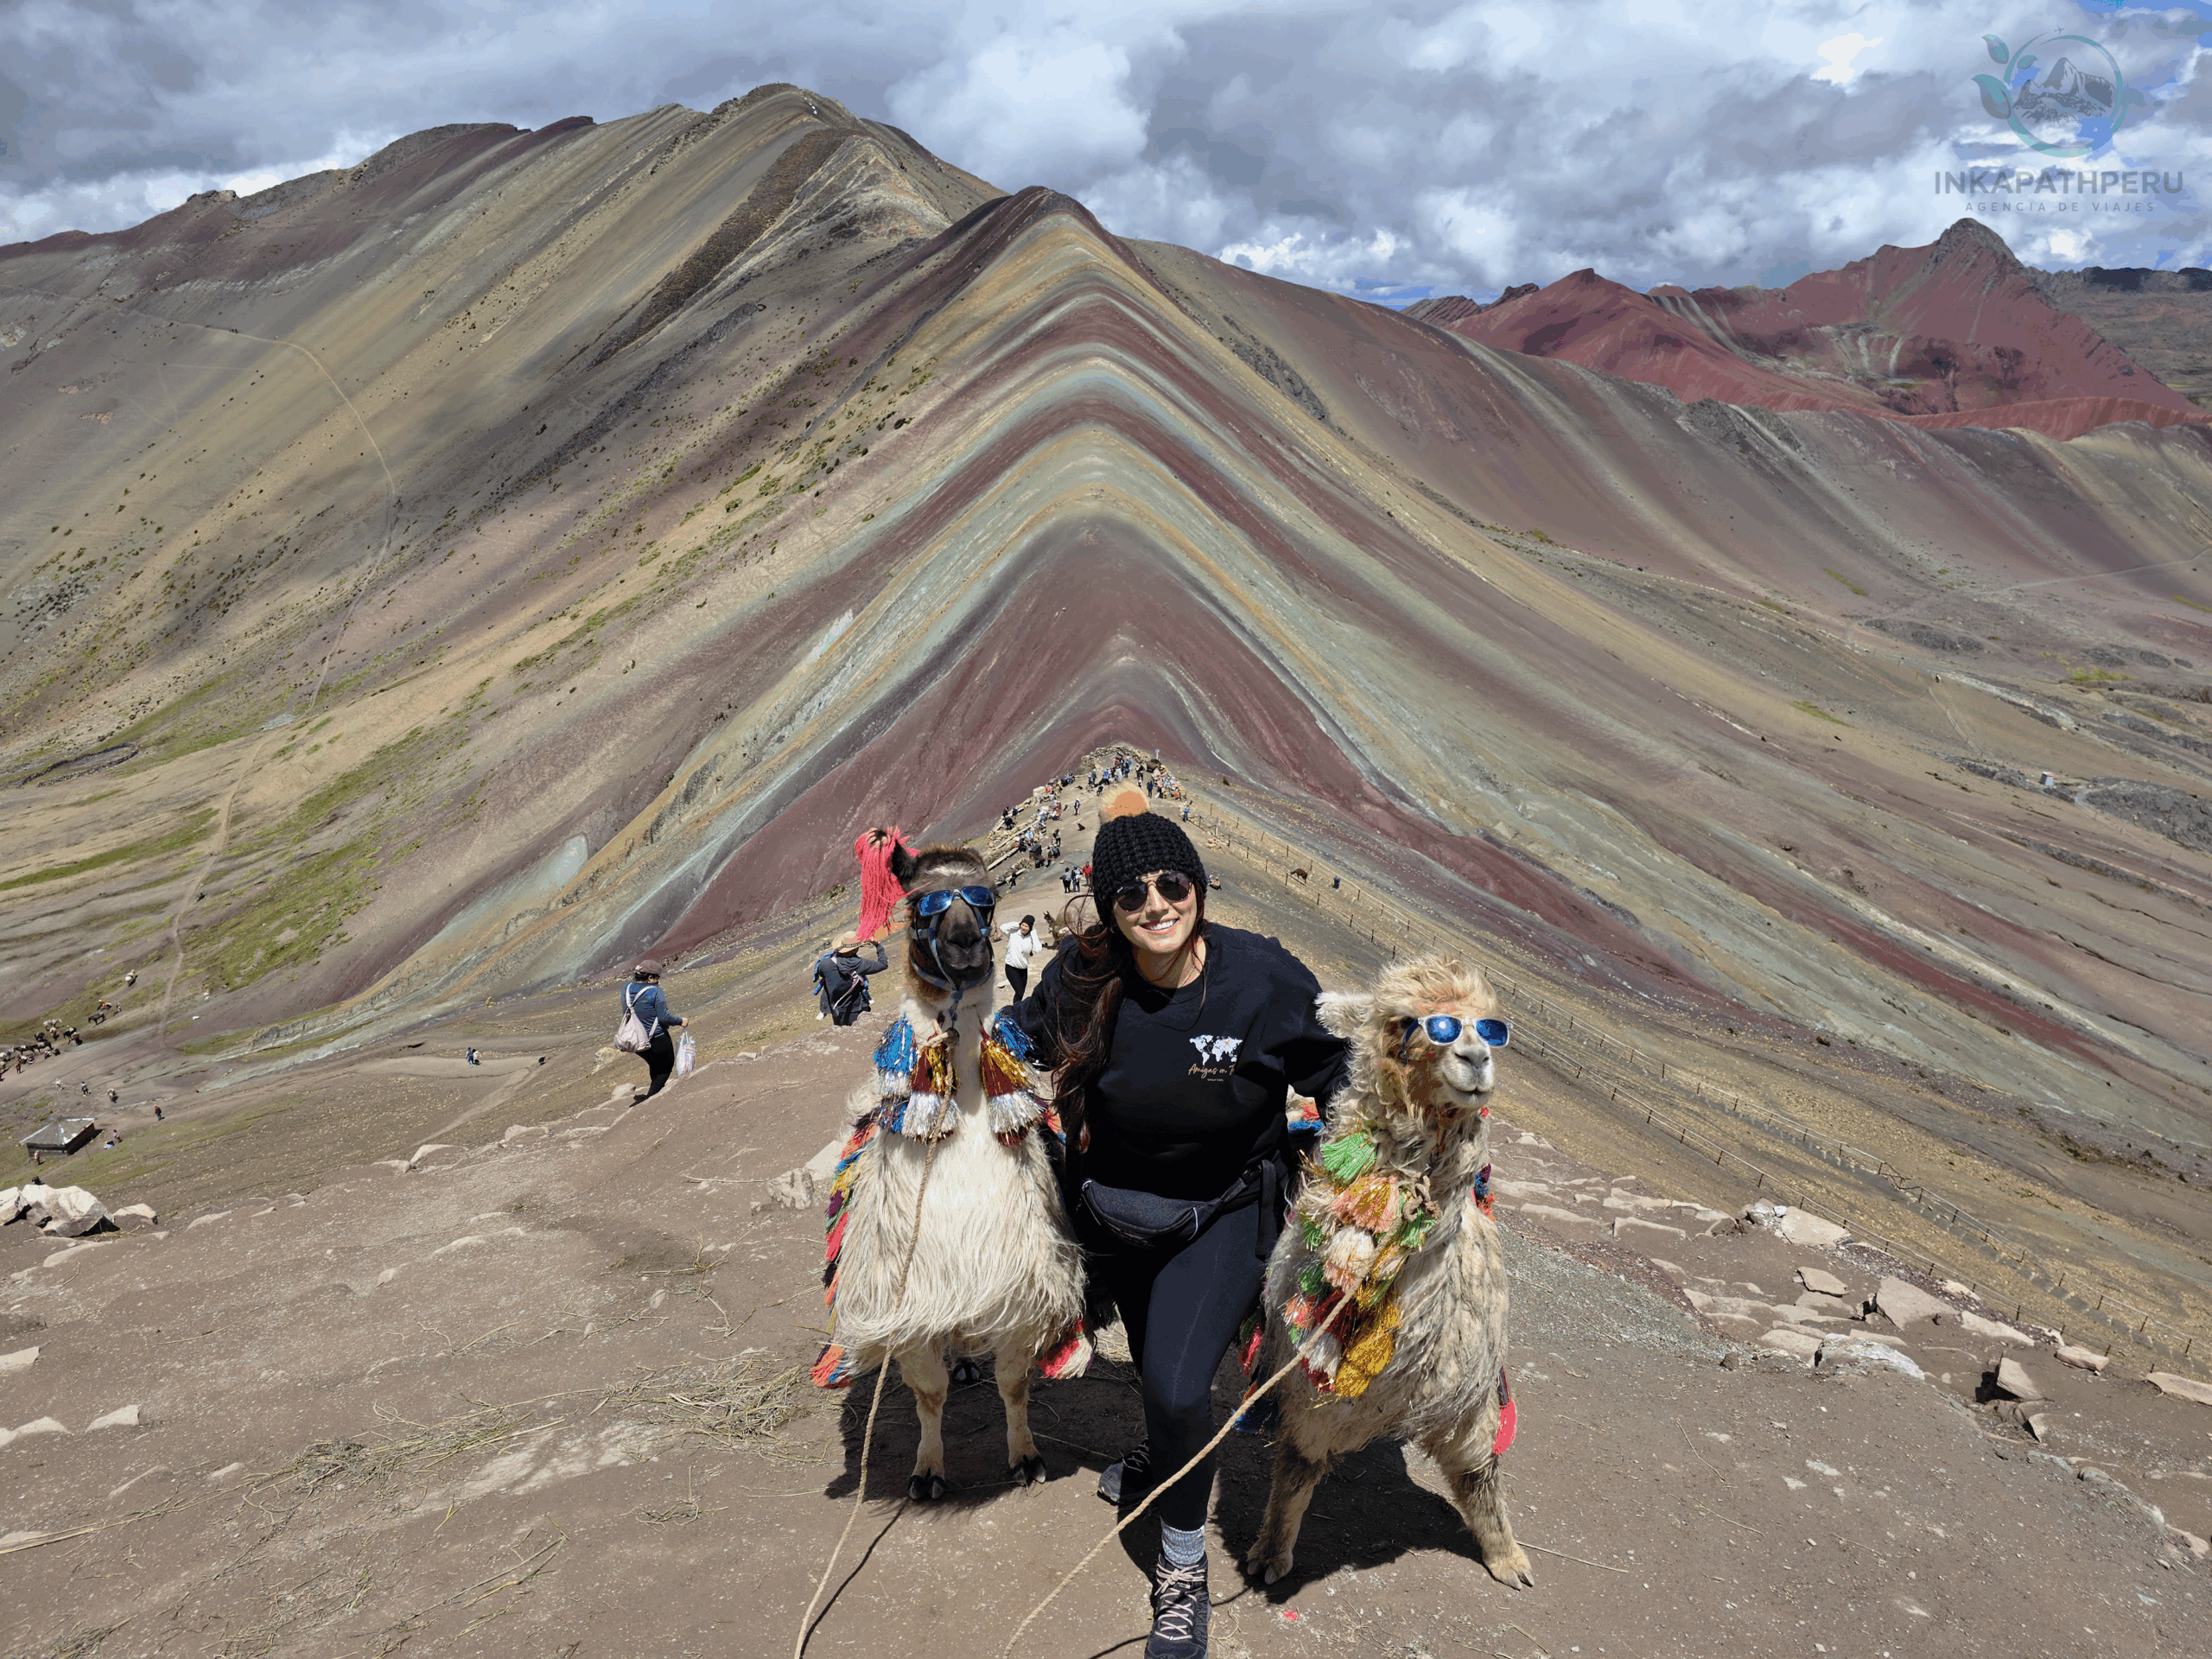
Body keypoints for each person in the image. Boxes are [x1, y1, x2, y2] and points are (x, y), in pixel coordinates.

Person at [1007, 811, 1348, 1659]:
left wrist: (1377, 1162)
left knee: (1175, 1378)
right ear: (1107, 907)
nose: (1155, 904)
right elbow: (1015, 1049)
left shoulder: (1262, 980)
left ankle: (1182, 1568)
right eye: (1131, 893)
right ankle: (1165, 1460)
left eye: (1172, 884)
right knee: (1161, 1371)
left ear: (1198, 885)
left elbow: (1340, 1074)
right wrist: (947, 1064)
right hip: (1113, 1213)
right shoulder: (1082, 978)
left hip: (1223, 1210)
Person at [621, 960, 687, 1098]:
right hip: (657, 1038)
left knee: (654, 1065)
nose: (658, 981)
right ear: (650, 977)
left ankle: (653, 1092)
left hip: (634, 1039)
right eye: (657, 978)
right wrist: (681, 1021)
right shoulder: (656, 992)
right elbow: (664, 1018)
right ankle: (652, 1099)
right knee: (665, 1068)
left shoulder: (626, 988)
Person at [813, 931, 889, 1025]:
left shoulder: (825, 964)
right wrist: (878, 945)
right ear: (854, 950)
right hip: (858, 1009)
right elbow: (883, 964)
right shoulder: (860, 964)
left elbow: (822, 974)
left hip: (837, 1010)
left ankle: (823, 1012)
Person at [995, 913, 1046, 1001]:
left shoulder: (1031, 937)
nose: (1024, 928)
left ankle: (1017, 1011)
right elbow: (1003, 927)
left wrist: (1034, 933)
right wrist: (1018, 924)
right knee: (1019, 992)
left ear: (1030, 928)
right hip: (1011, 968)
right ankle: (1015, 1012)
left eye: (1027, 926)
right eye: (1023, 925)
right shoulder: (1013, 933)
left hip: (1023, 969)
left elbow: (1038, 949)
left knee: (1020, 994)